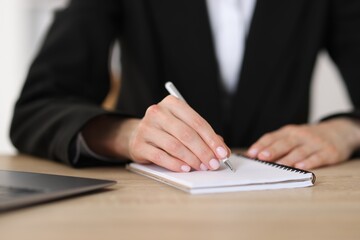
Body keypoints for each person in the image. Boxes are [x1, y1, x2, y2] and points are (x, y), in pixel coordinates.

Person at [10, 0, 360, 172]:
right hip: (147, 206)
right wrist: (123, 135)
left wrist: (348, 130)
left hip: (286, 205)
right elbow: (35, 109)